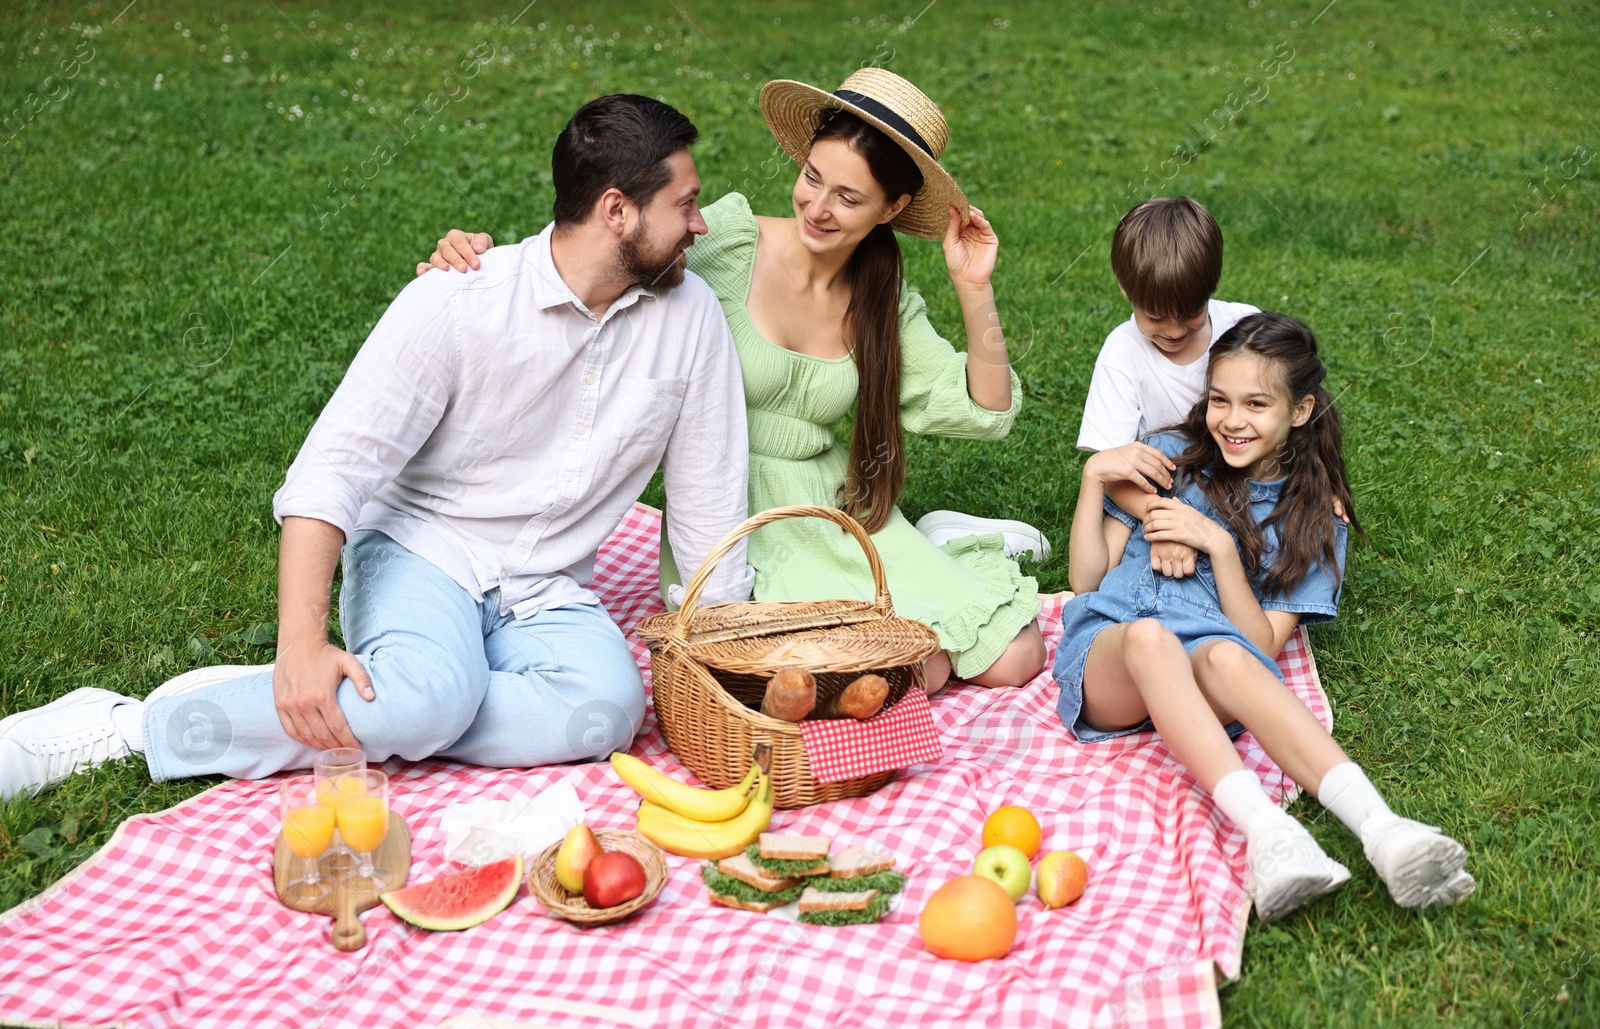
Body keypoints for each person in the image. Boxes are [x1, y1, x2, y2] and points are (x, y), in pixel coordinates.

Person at [0, 94, 754, 801]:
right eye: (685, 205)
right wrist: (300, 646)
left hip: (546, 587)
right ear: (616, 210)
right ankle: (128, 726)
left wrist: (735, 673)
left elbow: (708, 508)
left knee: (606, 714)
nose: (700, 225)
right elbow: (330, 473)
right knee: (427, 700)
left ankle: (394, 692)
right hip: (424, 549)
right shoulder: (458, 300)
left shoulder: (690, 321)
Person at [422, 69, 1046, 693]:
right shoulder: (727, 241)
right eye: (812, 178)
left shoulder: (882, 300)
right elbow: (600, 256)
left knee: (1016, 657)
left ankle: (935, 545)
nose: (818, 208)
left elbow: (986, 409)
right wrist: (482, 264)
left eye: (849, 198)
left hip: (833, 508)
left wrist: (973, 284)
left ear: (893, 208)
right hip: (728, 508)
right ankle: (926, 559)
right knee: (914, 670)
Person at [1057, 311, 1474, 921]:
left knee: (1226, 652)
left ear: (1299, 411)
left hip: (1207, 669)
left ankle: (1385, 831)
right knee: (1150, 639)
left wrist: (1218, 546)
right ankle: (1269, 835)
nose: (1232, 419)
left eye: (1256, 403)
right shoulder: (1170, 458)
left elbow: (1259, 647)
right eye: (1220, 399)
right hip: (1113, 660)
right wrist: (1095, 478)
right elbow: (1086, 581)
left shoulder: (1312, 520)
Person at [1078, 197, 1260, 581]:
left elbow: (1295, 418)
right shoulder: (1122, 353)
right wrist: (1165, 520)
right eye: (1156, 317)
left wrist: (1317, 485)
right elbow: (1113, 473)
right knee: (1099, 575)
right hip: (1160, 488)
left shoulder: (1246, 328)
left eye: (1192, 314)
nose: (1175, 332)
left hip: (1245, 479)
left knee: (1292, 537)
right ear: (1126, 290)